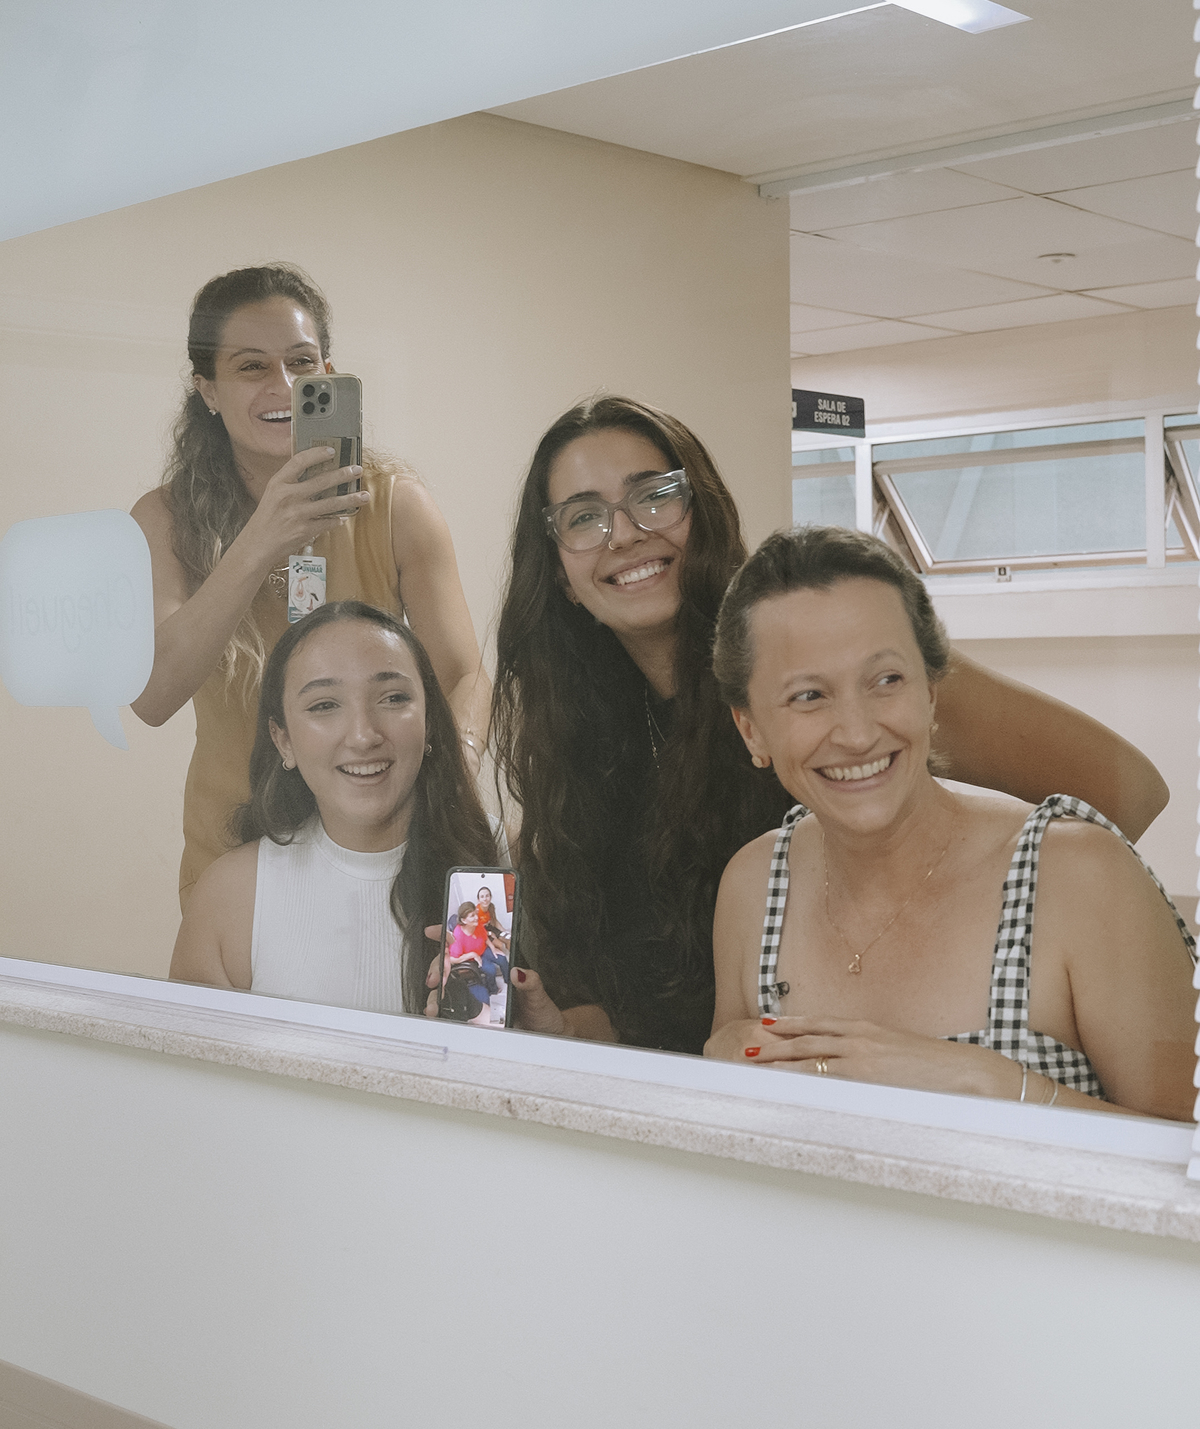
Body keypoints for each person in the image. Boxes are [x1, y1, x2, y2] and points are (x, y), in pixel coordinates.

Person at [491, 395, 1170, 1057]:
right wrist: (563, 1029)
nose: (625, 533)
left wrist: (952, 983)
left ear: (705, 511)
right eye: (584, 517)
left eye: (655, 495)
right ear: (559, 572)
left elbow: (1129, 793)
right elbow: (657, 1015)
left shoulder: (845, 645)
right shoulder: (587, 739)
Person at [704, 527, 1195, 1120]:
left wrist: (990, 1083)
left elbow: (1187, 1148)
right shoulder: (754, 886)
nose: (857, 733)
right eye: (809, 696)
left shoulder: (1080, 875)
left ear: (932, 693)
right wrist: (718, 1067)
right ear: (751, 730)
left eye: (887, 680)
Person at [131, 264, 489, 904]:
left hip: (386, 847)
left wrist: (446, 778)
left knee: (452, 965)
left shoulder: (395, 506)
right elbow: (152, 697)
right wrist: (262, 539)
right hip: (235, 856)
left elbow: (465, 674)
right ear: (207, 390)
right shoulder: (163, 520)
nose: (283, 385)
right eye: (251, 366)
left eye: (301, 362)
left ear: (328, 372)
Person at [169, 601, 498, 1016]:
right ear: (283, 740)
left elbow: (570, 1028)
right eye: (324, 705)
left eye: (393, 698)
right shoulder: (230, 895)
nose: (363, 735)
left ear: (430, 720)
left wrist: (542, 1027)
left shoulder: (507, 860)